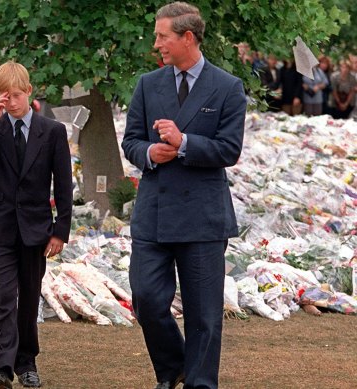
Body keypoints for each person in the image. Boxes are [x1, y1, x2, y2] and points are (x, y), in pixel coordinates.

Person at [121, 2, 246, 389]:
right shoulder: (148, 84)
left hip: (203, 217)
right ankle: (174, 366)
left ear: (187, 37)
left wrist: (185, 142)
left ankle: (200, 383)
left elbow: (229, 149)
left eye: (163, 36)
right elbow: (131, 142)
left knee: (203, 315)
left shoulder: (228, 87)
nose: (156, 43)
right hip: (154, 213)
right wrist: (150, 154)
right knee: (146, 299)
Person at [0, 61, 72, 389]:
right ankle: (2, 367)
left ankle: (27, 361)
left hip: (35, 228)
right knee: (3, 295)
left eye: (15, 95)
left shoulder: (52, 131)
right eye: (3, 97)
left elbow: (64, 185)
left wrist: (60, 230)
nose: (10, 102)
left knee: (28, 297)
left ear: (28, 92)